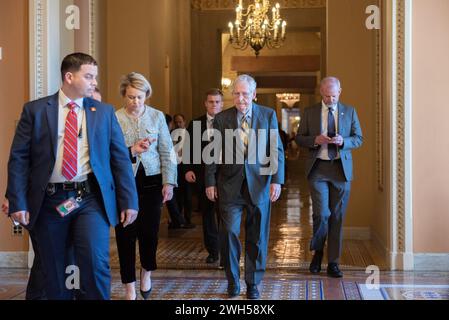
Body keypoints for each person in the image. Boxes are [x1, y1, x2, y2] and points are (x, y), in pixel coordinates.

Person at [6, 52, 139, 300]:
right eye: (88, 76)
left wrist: (129, 200)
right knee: (53, 272)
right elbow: (19, 159)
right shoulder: (35, 111)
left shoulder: (103, 112)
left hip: (89, 199)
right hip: (48, 202)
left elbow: (119, 159)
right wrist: (17, 200)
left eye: (94, 77)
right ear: (69, 77)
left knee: (95, 262)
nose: (94, 82)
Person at [205, 75, 285, 299]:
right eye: (237, 93)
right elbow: (212, 153)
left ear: (254, 95)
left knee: (257, 236)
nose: (241, 98)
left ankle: (253, 283)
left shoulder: (267, 115)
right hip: (229, 186)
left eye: (245, 94)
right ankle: (232, 281)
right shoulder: (222, 119)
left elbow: (275, 149)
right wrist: (210, 182)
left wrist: (277, 180)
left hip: (259, 185)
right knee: (229, 232)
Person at [114, 72, 177, 300]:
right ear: (124, 95)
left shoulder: (157, 117)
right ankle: (129, 286)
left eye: (140, 97)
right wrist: (131, 149)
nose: (136, 102)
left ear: (146, 96)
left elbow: (167, 152)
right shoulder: (115, 118)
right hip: (124, 182)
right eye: (131, 97)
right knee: (125, 235)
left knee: (149, 233)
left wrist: (169, 181)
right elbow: (110, 153)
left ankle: (146, 273)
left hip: (152, 181)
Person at [296, 77, 363, 278]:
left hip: (341, 171)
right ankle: (317, 252)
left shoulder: (349, 111)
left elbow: (359, 138)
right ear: (320, 92)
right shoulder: (310, 112)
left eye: (333, 95)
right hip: (318, 170)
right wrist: (314, 140)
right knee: (322, 214)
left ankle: (333, 262)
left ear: (340, 91)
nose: (330, 99)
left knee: (337, 217)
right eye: (326, 96)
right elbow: (299, 138)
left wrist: (344, 141)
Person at [184, 89, 223, 264]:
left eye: (217, 102)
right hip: (201, 176)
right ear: (205, 103)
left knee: (225, 215)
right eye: (211, 101)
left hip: (224, 177)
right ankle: (213, 251)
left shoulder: (231, 121)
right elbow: (188, 148)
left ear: (222, 104)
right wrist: (188, 169)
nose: (214, 104)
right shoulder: (195, 124)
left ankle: (226, 250)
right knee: (207, 215)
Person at [172, 114, 194, 228]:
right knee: (177, 195)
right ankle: (178, 220)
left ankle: (188, 219)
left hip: (187, 168)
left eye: (180, 122)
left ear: (184, 122)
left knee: (188, 196)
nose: (178, 124)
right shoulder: (172, 134)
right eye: (176, 122)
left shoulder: (189, 134)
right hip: (176, 167)